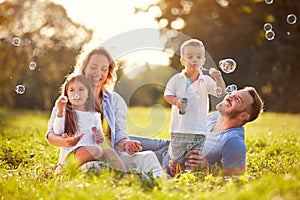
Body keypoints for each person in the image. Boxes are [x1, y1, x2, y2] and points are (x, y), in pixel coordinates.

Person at [46, 46, 163, 178]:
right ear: (84, 68)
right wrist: (65, 141)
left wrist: (127, 144)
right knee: (93, 166)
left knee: (148, 156)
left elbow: (119, 137)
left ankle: (159, 184)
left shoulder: (115, 101)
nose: (99, 73)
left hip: (109, 157)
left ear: (108, 73)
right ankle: (130, 179)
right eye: (94, 67)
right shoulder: (68, 99)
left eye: (104, 69)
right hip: (82, 158)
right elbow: (51, 135)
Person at [132, 86, 264, 177]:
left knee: (123, 165)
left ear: (244, 116)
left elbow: (237, 181)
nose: (229, 97)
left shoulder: (233, 141)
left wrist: (207, 169)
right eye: (232, 94)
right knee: (117, 142)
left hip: (169, 170)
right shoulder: (214, 117)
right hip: (166, 147)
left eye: (237, 100)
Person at [164, 39, 226, 175]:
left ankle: (193, 177)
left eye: (198, 57)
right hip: (178, 129)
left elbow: (221, 93)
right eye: (190, 57)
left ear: (203, 61)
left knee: (194, 159)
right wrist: (176, 101)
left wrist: (218, 79)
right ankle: (179, 179)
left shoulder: (206, 81)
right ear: (182, 61)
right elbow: (167, 95)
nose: (194, 60)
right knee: (178, 159)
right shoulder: (176, 79)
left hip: (198, 130)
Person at [52, 74, 104, 167]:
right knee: (98, 151)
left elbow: (100, 140)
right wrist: (60, 112)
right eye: (72, 90)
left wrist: (99, 137)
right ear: (67, 94)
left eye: (81, 89)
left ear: (89, 93)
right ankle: (65, 168)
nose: (76, 93)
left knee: (104, 153)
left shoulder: (95, 115)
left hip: (91, 155)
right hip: (72, 154)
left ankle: (124, 174)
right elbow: (57, 131)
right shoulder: (66, 112)